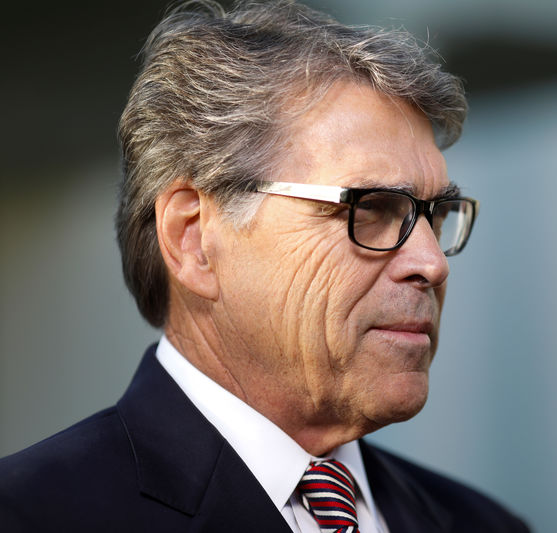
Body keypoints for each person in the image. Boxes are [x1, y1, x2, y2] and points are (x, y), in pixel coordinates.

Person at [0, 1, 530, 531]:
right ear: (193, 239)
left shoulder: (484, 524)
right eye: (369, 209)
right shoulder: (33, 514)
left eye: (435, 215)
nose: (432, 264)